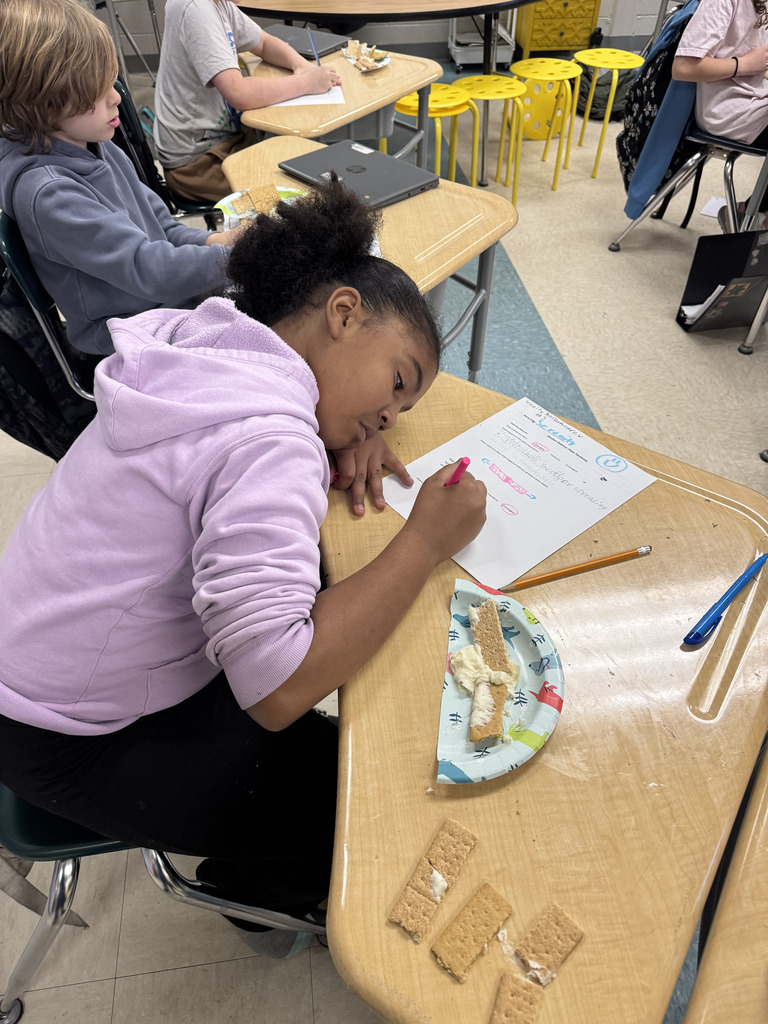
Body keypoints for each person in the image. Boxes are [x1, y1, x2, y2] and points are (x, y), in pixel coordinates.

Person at [0, 172, 488, 958]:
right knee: (374, 796)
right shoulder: (269, 438)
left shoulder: (206, 338)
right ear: (342, 312)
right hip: (63, 737)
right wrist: (426, 541)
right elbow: (276, 688)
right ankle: (255, 894)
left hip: (34, 664)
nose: (391, 417)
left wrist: (349, 424)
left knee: (347, 711)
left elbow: (231, 452)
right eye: (396, 384)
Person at [0, 0, 243, 357]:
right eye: (96, 93)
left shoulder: (97, 144)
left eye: (110, 82)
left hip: (164, 306)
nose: (116, 98)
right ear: (44, 104)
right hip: (130, 337)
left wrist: (219, 241)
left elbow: (165, 229)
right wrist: (239, 257)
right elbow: (148, 269)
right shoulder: (49, 193)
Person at [154, 0, 341, 202]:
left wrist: (303, 67)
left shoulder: (219, 4)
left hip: (226, 143)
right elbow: (239, 93)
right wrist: (305, 83)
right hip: (199, 165)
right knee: (301, 197)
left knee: (309, 173)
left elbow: (263, 43)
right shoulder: (195, 8)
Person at [672, 0, 768, 227]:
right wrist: (743, 64)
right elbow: (683, 67)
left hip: (757, 99)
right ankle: (758, 222)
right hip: (729, 110)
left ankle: (752, 213)